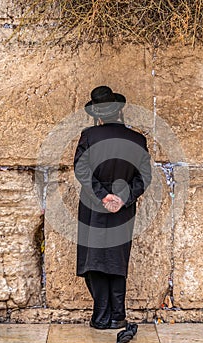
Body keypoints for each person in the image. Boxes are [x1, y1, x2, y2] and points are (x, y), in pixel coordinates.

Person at [74, 86, 151, 330]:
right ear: (119, 111)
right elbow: (144, 177)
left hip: (93, 206)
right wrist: (121, 198)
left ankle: (100, 316)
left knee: (94, 260)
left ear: (98, 114)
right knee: (117, 261)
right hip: (123, 210)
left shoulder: (89, 136)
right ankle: (118, 316)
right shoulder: (138, 140)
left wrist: (102, 196)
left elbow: (81, 170)